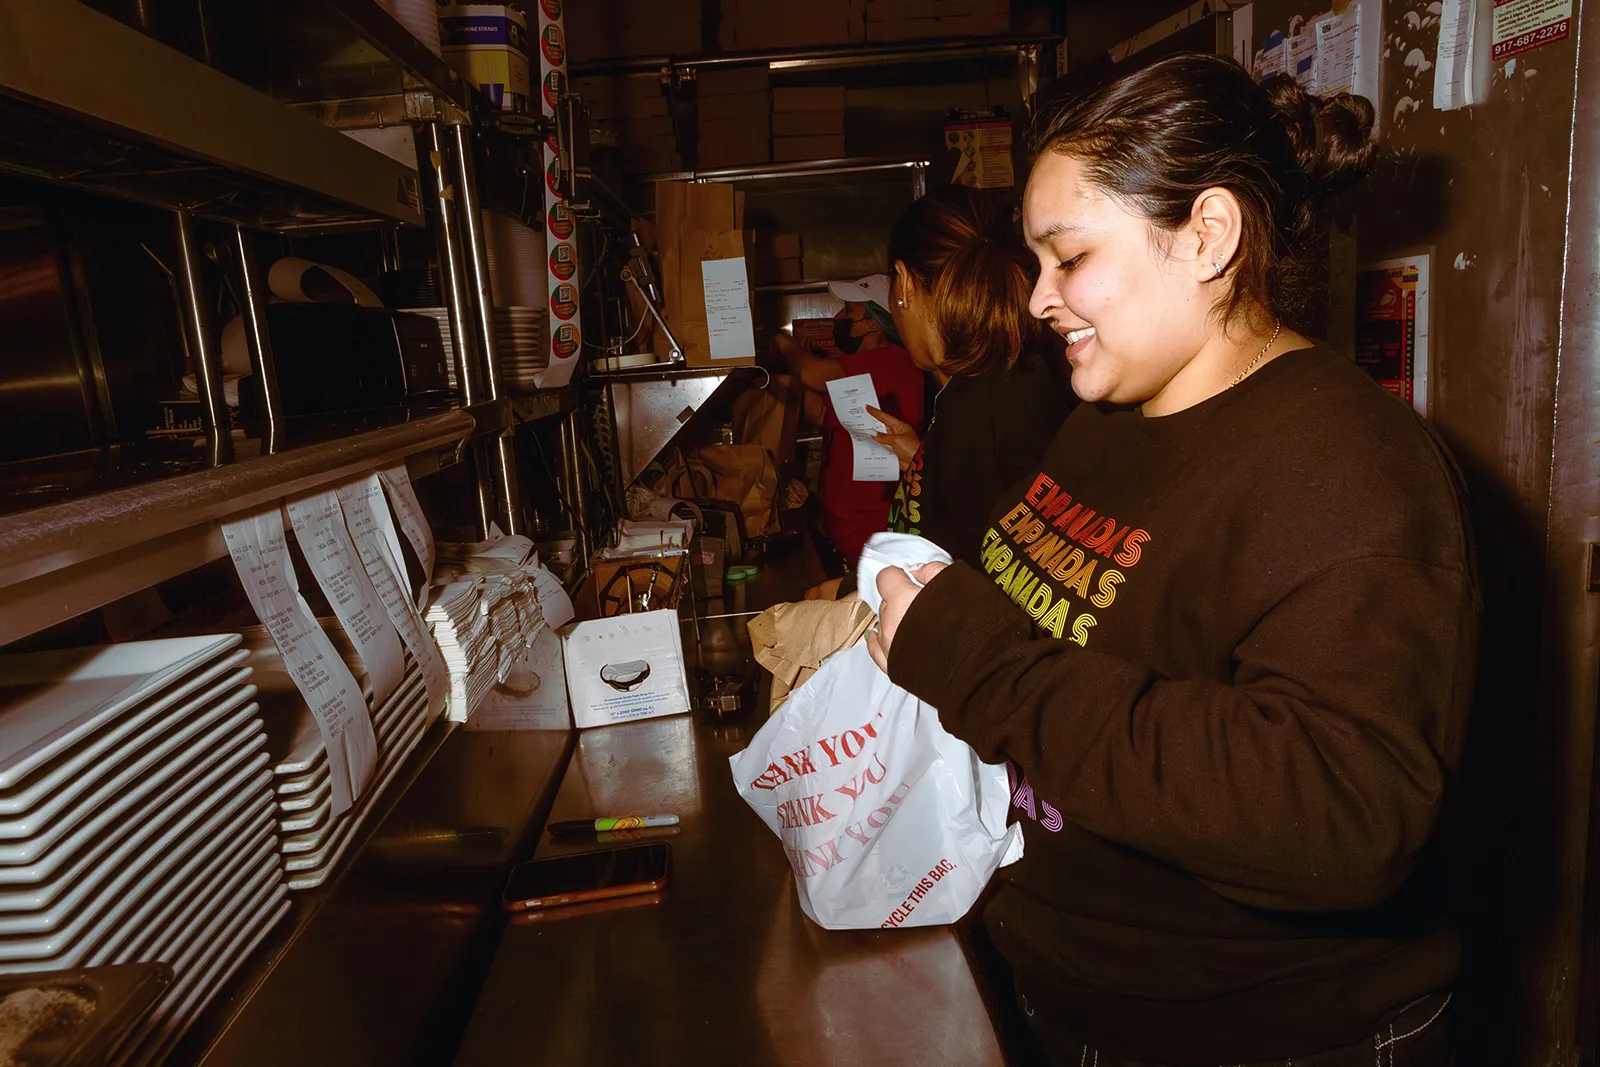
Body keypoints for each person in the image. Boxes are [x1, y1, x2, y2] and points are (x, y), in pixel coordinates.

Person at [867, 54, 1477, 1067]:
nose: (1038, 301)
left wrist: (981, 666)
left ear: (1206, 234)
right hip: (1078, 1000)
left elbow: (1342, 816)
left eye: (1069, 257)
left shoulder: (1353, 471)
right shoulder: (1108, 414)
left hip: (1259, 1036)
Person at [803, 186, 1073, 600]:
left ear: (905, 284)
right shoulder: (998, 382)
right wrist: (924, 458)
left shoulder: (986, 404)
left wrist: (846, 590)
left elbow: (977, 581)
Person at [778, 277, 925, 565]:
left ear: (873, 322)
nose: (839, 319)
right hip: (849, 528)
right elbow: (820, 416)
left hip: (871, 529)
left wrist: (786, 347)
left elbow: (809, 372)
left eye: (848, 312)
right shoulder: (861, 372)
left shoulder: (891, 359)